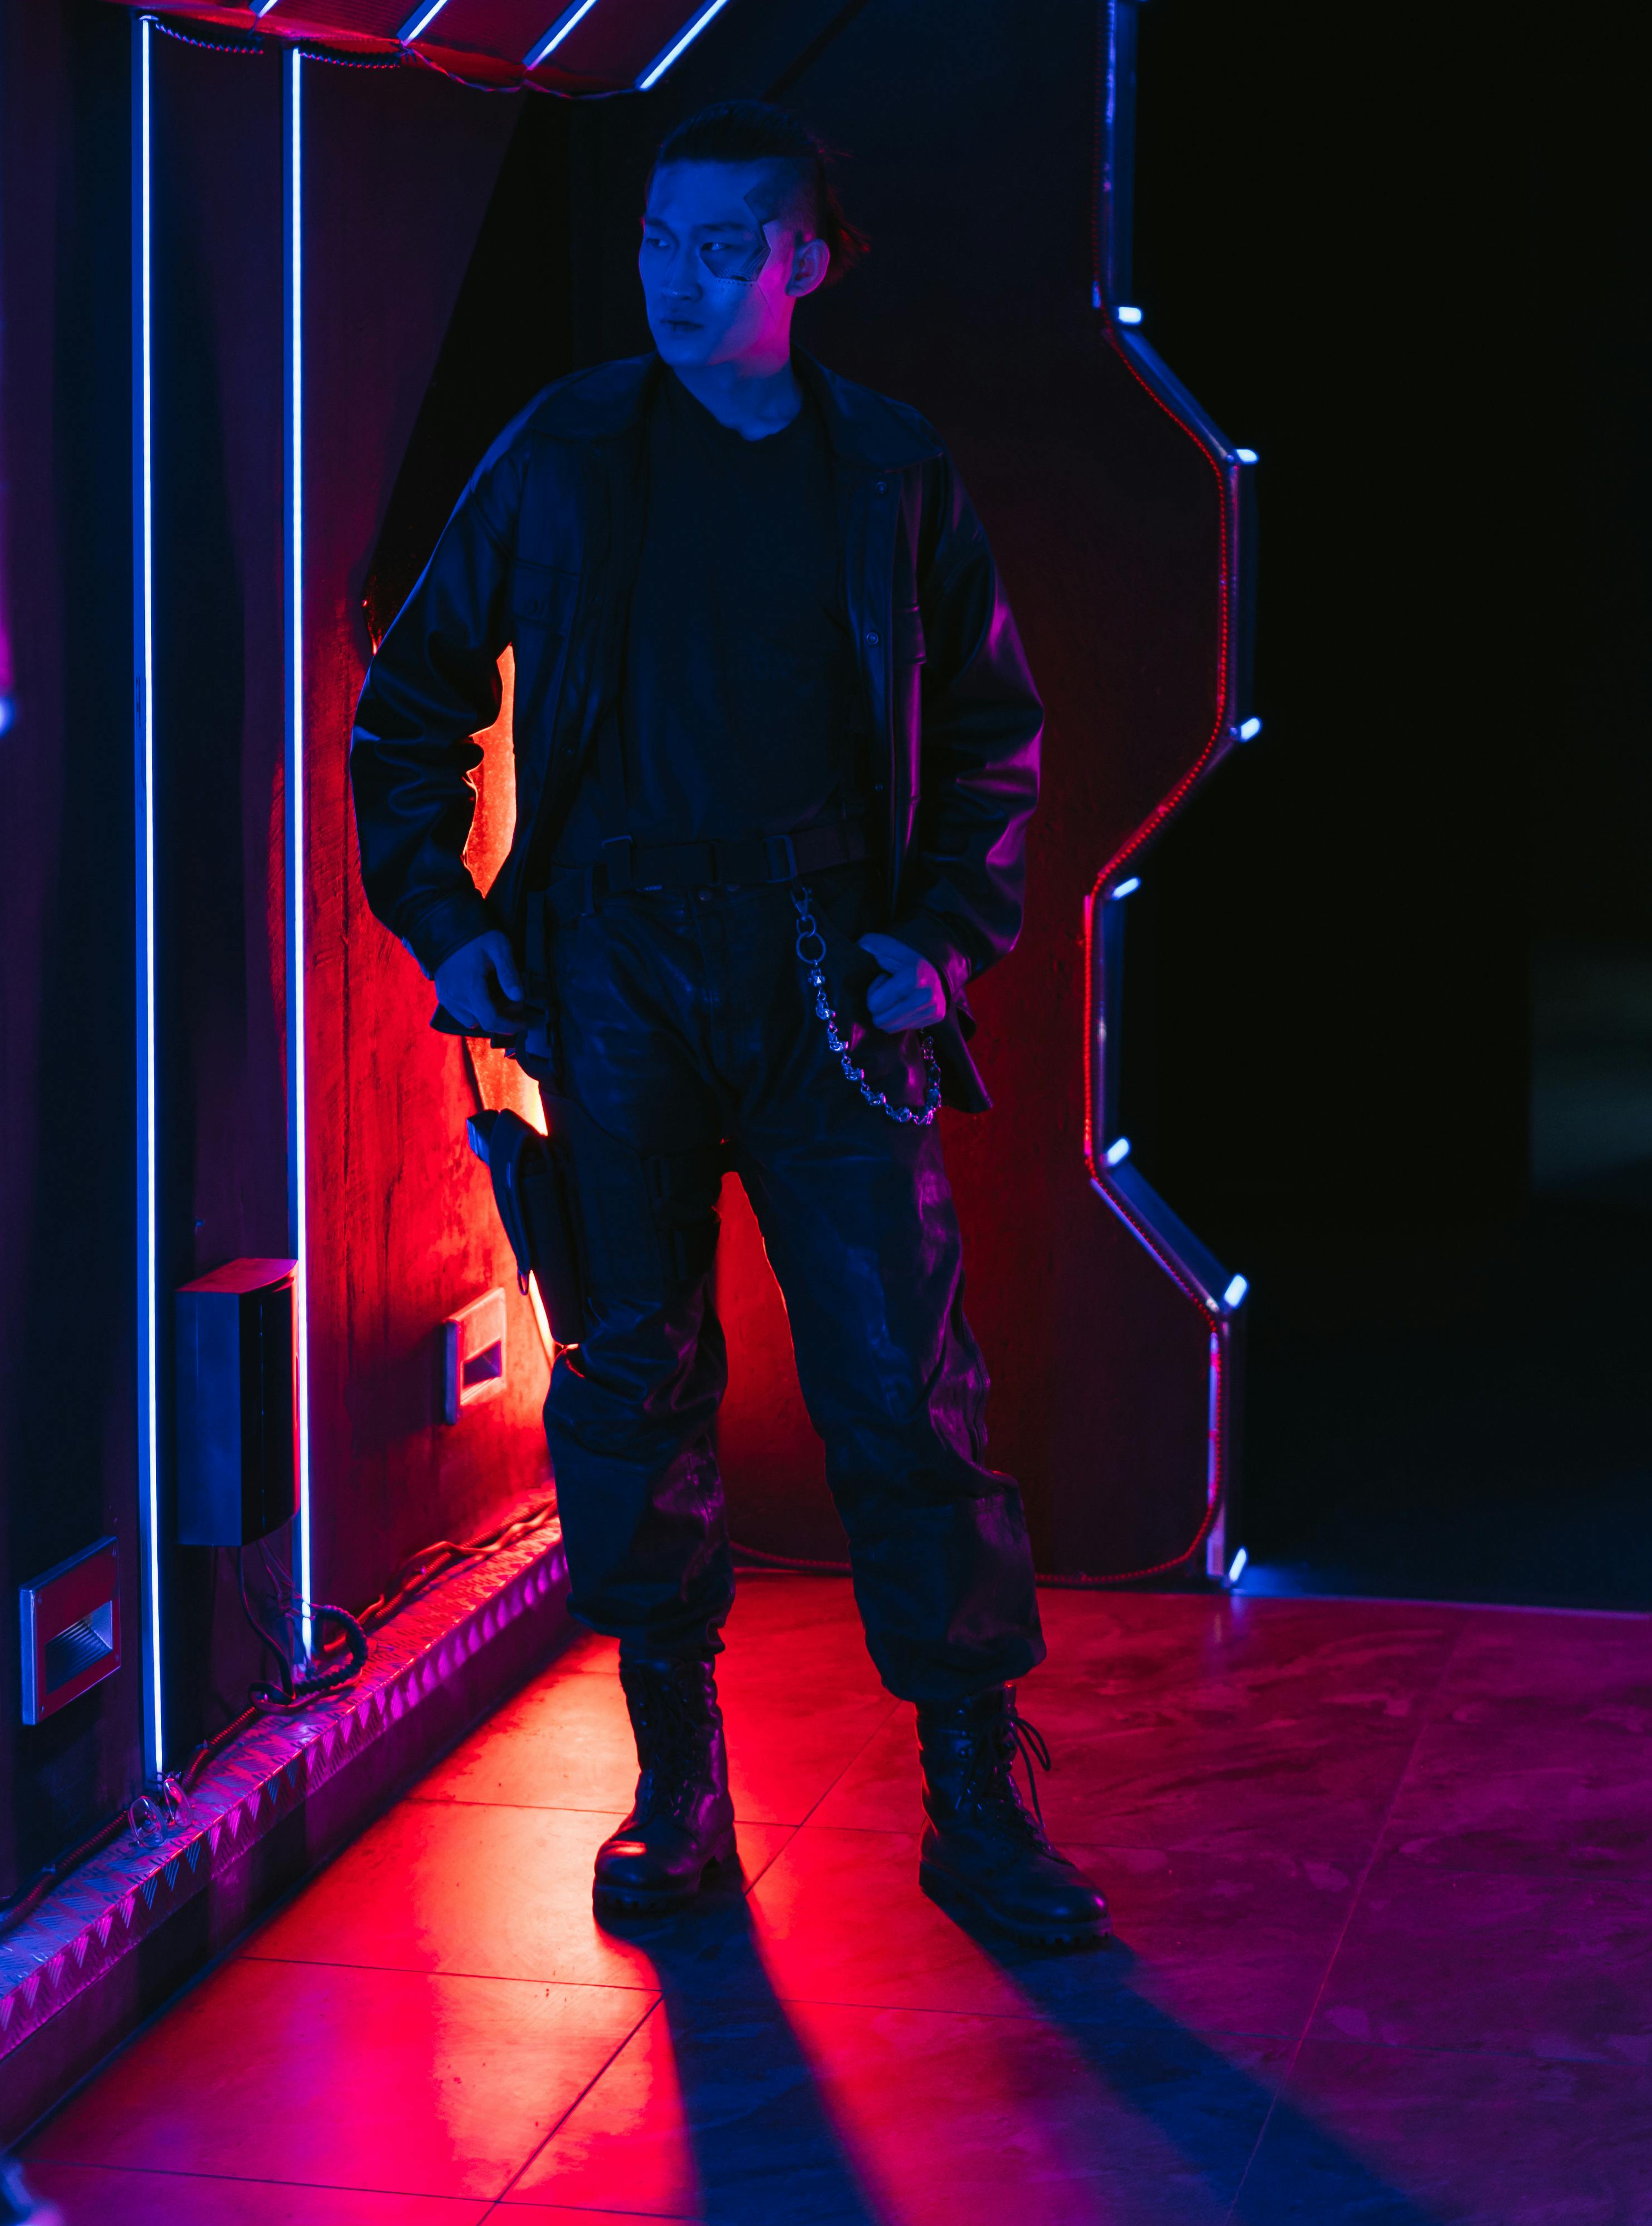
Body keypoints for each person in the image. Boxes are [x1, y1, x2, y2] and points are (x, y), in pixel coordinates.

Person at [350, 102, 1106, 1947]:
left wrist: (936, 941)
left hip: (823, 959)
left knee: (901, 1384)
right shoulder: (565, 449)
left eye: (723, 249)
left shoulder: (887, 472)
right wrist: (450, 926)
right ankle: (680, 1780)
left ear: (806, 266)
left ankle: (971, 1791)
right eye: (659, 243)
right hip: (608, 958)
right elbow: (412, 704)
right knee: (632, 1376)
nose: (680, 281)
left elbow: (996, 742)